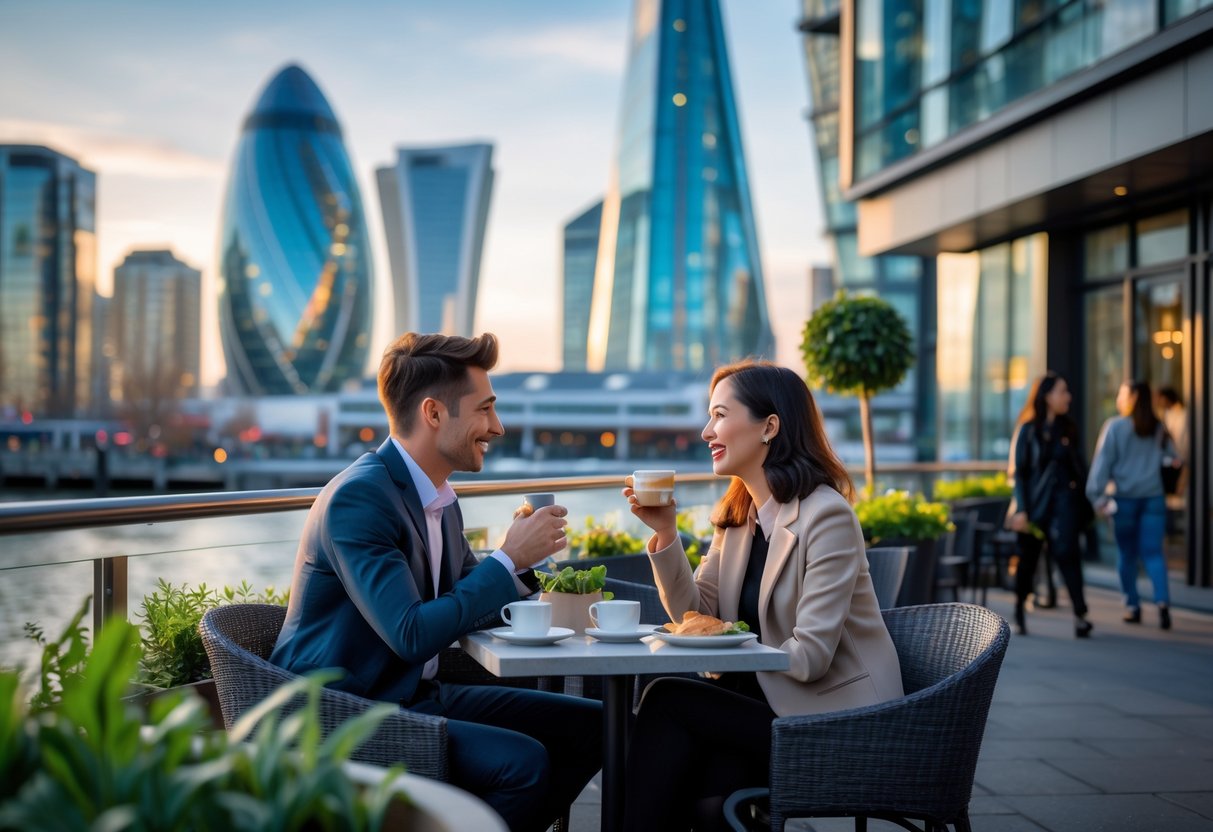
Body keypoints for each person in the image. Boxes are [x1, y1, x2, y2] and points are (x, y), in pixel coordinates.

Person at [270, 332, 602, 832]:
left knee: (592, 725)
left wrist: (520, 565)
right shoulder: (360, 499)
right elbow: (411, 634)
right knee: (523, 764)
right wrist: (508, 557)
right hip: (347, 713)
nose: (497, 426)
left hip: (414, 694)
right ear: (433, 413)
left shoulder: (438, 498)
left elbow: (467, 592)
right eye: (485, 409)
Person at [620, 360, 903, 832]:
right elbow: (699, 615)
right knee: (708, 797)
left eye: (720, 415)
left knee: (668, 699)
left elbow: (810, 657)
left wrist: (728, 645)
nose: (707, 430)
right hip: (763, 709)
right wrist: (667, 534)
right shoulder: (738, 517)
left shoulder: (826, 516)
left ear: (769, 426)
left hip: (834, 720)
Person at [1006, 372, 1094, 638]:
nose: (1068, 397)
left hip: (1063, 504)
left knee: (1069, 555)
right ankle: (1020, 609)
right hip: (1034, 506)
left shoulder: (1068, 428)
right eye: (1062, 391)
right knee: (1027, 560)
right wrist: (1021, 508)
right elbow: (1019, 473)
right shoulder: (1028, 429)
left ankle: (1080, 615)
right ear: (1047, 396)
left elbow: (1078, 467)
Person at [1087, 380, 1175, 630]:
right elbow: (1174, 458)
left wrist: (1097, 496)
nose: (1118, 397)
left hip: (1123, 500)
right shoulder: (1158, 427)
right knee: (1154, 553)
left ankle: (1132, 606)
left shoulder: (1114, 427)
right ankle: (1163, 604)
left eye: (1122, 393)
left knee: (1127, 555)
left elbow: (1102, 466)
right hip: (1154, 498)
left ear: (1133, 397)